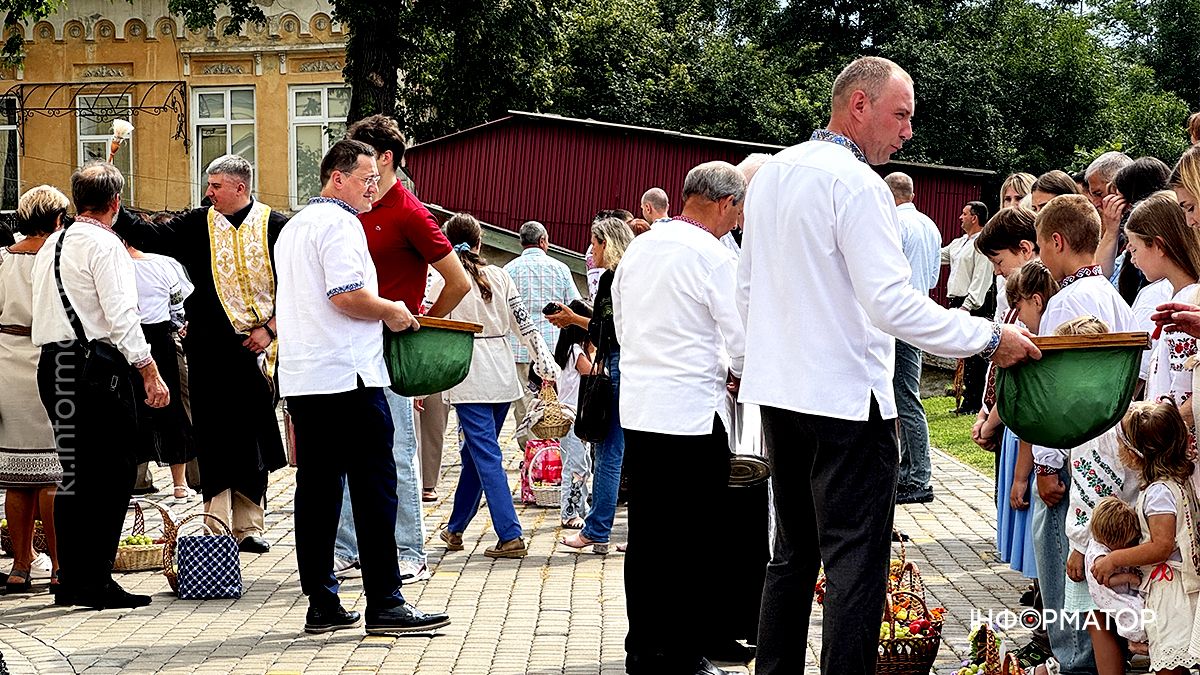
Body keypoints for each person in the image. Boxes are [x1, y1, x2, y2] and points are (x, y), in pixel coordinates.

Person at [736, 56, 1039, 674]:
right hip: (845, 401)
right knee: (855, 562)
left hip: (781, 393)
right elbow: (891, 303)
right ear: (859, 106)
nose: (906, 133)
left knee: (792, 553)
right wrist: (986, 338)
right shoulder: (857, 184)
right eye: (900, 116)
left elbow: (747, 288)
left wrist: (750, 364)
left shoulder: (770, 175)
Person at [275, 138, 450, 635]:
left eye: (376, 177)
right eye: (366, 178)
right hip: (348, 376)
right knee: (375, 489)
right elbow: (347, 295)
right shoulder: (340, 222)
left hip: (307, 377)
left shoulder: (294, 227)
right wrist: (393, 311)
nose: (375, 187)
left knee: (317, 492)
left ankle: (322, 601)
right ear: (338, 178)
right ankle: (386, 602)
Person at [114, 154, 287, 554]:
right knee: (212, 435)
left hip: (257, 350)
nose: (208, 193)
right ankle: (216, 523)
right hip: (208, 349)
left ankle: (249, 526)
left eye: (215, 186)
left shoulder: (276, 226)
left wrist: (270, 329)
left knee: (251, 437)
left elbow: (299, 286)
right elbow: (150, 236)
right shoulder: (197, 223)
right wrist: (114, 203)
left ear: (240, 187)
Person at [614, 161, 747, 675]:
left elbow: (622, 324)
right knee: (692, 537)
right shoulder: (714, 257)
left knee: (648, 534)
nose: (737, 222)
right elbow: (740, 339)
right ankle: (683, 650)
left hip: (645, 407)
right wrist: (737, 372)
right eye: (737, 212)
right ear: (724, 204)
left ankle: (643, 646)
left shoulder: (640, 248)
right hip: (692, 410)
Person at [330, 113, 472, 583]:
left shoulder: (410, 212)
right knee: (352, 451)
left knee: (398, 452)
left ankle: (410, 551)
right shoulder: (352, 209)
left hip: (390, 347)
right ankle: (349, 549)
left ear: (385, 159)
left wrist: (422, 326)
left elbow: (459, 281)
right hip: (351, 345)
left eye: (364, 157)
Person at [31, 162, 170, 609]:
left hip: (54, 364)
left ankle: (69, 578)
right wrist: (148, 369)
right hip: (95, 369)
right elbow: (122, 315)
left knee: (74, 476)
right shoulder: (105, 245)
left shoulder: (53, 241)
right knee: (111, 473)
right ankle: (95, 580)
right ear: (115, 203)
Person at [1032, 194, 1135, 675]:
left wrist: (1047, 463)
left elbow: (1055, 394)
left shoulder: (1064, 303)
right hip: (1116, 454)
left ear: (1056, 241)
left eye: (1040, 244)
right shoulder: (1113, 297)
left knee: (1067, 565)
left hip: (1077, 456)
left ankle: (1074, 660)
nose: (1040, 256)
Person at [433, 213, 556, 560]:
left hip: (467, 372)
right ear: (480, 242)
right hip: (502, 375)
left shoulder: (441, 276)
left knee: (485, 455)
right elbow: (524, 323)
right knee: (476, 455)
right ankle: (455, 529)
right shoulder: (500, 276)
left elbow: (429, 321)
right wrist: (544, 361)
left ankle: (510, 533)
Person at [1095, 401, 1200, 673]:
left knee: (1170, 662)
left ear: (1135, 454)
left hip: (1172, 591)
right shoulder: (1181, 480)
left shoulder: (1159, 494)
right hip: (1179, 584)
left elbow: (1161, 545)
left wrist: (1115, 559)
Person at [552, 217, 636, 555]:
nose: (590, 250)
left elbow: (607, 329)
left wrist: (573, 320)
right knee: (623, 451)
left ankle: (597, 529)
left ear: (608, 244)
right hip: (634, 366)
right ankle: (608, 529)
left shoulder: (611, 281)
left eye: (595, 242)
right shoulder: (633, 276)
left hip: (615, 363)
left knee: (608, 450)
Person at [0, 186, 66, 594]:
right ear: (58, 218)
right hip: (49, 360)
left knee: (16, 478)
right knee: (51, 477)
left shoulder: (2, 260)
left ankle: (20, 566)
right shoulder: (56, 257)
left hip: (6, 360)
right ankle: (61, 565)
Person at [884, 171, 942, 504]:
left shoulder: (894, 224)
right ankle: (909, 471)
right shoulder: (930, 227)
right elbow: (933, 277)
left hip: (899, 319)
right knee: (905, 395)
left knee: (905, 399)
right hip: (920, 312)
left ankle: (918, 476)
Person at [127, 241, 197, 504]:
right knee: (172, 409)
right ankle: (179, 485)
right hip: (161, 338)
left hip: (127, 341)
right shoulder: (163, 264)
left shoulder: (116, 265)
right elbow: (178, 308)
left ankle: (133, 480)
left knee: (133, 410)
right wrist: (176, 326)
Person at [503, 220, 581, 456]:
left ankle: (531, 455)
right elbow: (575, 304)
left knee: (525, 405)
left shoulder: (508, 270)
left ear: (521, 243)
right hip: (554, 349)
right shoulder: (560, 269)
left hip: (520, 349)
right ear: (544, 241)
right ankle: (553, 453)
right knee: (555, 404)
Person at [942, 200, 995, 414]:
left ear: (974, 217)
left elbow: (981, 277)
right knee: (963, 350)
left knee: (974, 354)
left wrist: (968, 305)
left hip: (972, 303)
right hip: (957, 299)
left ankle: (974, 401)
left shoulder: (981, 244)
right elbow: (940, 255)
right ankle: (965, 395)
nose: (960, 217)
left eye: (964, 214)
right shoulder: (960, 242)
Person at [1084, 496, 1148, 652]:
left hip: (1122, 590)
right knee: (1133, 611)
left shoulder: (1103, 541)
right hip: (1109, 594)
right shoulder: (1099, 555)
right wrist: (1128, 578)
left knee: (1140, 606)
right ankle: (1135, 642)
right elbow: (1106, 580)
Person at [553, 299, 594, 528]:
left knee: (581, 462)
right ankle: (569, 512)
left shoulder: (568, 349)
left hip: (573, 414)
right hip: (572, 415)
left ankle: (580, 507)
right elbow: (592, 372)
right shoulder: (576, 350)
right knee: (576, 465)